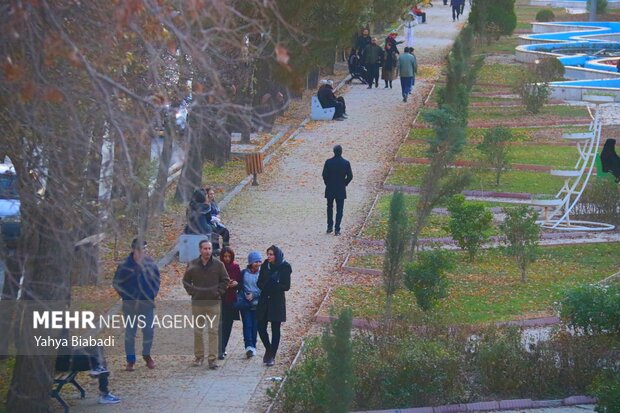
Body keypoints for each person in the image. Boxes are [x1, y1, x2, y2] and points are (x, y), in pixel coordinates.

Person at [113, 238, 160, 371]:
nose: (144, 252)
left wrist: (152, 294)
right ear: (134, 250)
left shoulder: (150, 264)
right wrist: (126, 296)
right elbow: (117, 283)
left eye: (145, 249)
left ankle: (147, 355)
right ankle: (130, 360)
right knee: (130, 333)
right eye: (141, 249)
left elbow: (156, 280)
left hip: (147, 304)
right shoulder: (124, 265)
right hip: (130, 305)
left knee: (149, 331)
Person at [182, 240, 230, 369]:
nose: (207, 251)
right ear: (200, 250)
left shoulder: (218, 265)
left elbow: (226, 280)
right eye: (205, 249)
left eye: (209, 249)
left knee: (213, 331)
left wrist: (218, 292)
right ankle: (199, 357)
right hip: (198, 303)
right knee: (198, 331)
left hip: (213, 303)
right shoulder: (192, 264)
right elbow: (186, 281)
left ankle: (212, 359)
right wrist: (193, 292)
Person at [257, 245, 291, 367]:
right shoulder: (265, 265)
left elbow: (286, 286)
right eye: (268, 254)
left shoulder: (285, 267)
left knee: (275, 328)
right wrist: (265, 286)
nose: (269, 257)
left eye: (271, 254)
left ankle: (272, 355)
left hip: (276, 301)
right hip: (265, 300)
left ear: (276, 255)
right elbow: (259, 281)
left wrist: (275, 286)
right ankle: (269, 348)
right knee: (261, 327)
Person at [55, 343, 120, 404]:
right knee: (97, 359)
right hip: (62, 363)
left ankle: (97, 367)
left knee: (98, 347)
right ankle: (97, 367)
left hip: (67, 357)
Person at [322, 145, 353, 236]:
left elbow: (324, 175)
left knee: (329, 207)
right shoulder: (346, 163)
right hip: (340, 188)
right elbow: (350, 176)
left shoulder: (328, 162)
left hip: (330, 188)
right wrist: (345, 183)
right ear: (341, 152)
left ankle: (329, 226)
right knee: (340, 210)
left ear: (333, 151)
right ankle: (337, 229)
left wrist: (328, 183)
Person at [218, 246, 241, 360]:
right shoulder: (217, 267)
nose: (227, 259)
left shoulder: (235, 267)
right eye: (225, 256)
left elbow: (240, 282)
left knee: (228, 325)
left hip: (231, 299)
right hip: (219, 299)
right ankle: (219, 348)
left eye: (229, 256)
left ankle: (223, 347)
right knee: (220, 325)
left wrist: (236, 283)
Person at [240, 251, 262, 358]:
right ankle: (248, 346)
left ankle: (253, 346)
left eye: (259, 261)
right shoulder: (244, 273)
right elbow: (240, 287)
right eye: (255, 262)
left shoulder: (262, 274)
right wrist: (245, 295)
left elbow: (263, 288)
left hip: (257, 304)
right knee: (247, 325)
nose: (257, 264)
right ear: (250, 263)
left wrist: (254, 295)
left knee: (255, 326)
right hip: (246, 304)